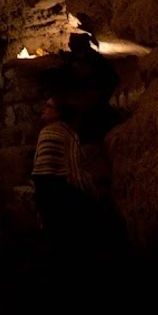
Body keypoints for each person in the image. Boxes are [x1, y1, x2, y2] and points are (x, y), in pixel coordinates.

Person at [31, 97, 96, 249]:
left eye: (48, 106)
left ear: (58, 113)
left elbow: (39, 165)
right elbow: (74, 168)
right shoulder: (68, 133)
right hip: (58, 190)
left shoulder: (48, 132)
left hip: (45, 190)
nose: (44, 108)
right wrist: (89, 191)